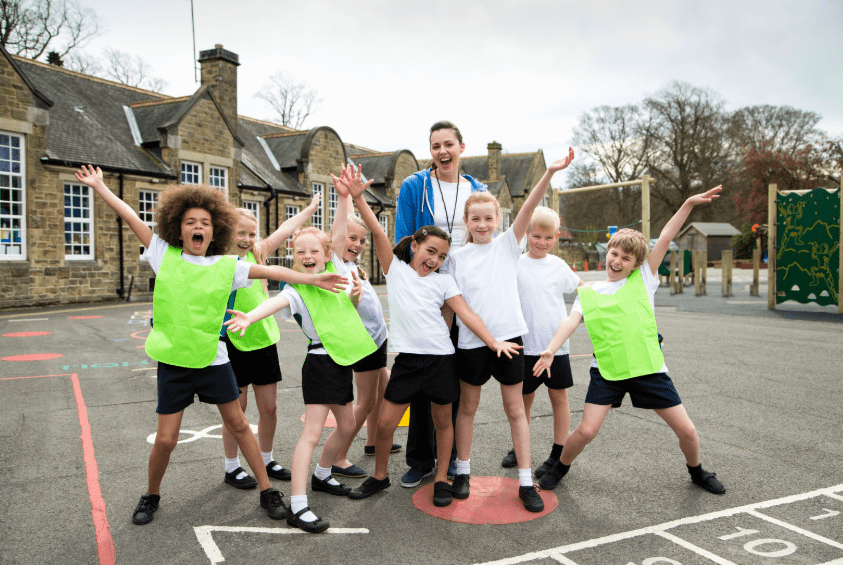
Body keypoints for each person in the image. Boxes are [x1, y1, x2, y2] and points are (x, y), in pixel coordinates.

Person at [73, 165, 346, 526]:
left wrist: (314, 279)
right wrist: (99, 187)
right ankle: (151, 493)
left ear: (215, 229)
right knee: (167, 439)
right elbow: (129, 215)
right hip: (174, 362)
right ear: (177, 228)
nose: (197, 226)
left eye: (204, 221)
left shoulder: (226, 265)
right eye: (189, 221)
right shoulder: (161, 254)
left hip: (214, 361)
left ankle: (267, 490)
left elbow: (277, 273)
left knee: (237, 424)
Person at [336, 165, 521, 507]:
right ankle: (379, 476)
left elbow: (466, 313)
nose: (435, 260)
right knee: (386, 423)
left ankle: (440, 478)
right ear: (416, 245)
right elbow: (377, 232)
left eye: (442, 256)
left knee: (442, 421)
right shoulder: (396, 270)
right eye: (430, 251)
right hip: (407, 361)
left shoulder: (444, 281)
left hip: (440, 360)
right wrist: (358, 198)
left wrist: (493, 341)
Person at [533, 186, 726, 495]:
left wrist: (688, 203)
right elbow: (570, 322)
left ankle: (698, 471)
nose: (618, 260)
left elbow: (664, 237)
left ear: (637, 264)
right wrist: (550, 350)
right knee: (586, 431)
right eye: (614, 253)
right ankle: (560, 467)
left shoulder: (645, 279)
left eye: (626, 257)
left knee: (687, 430)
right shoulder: (590, 292)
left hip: (649, 368)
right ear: (607, 253)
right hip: (608, 371)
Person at [225, 181, 376, 533]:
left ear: (327, 254)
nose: (308, 256)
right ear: (295, 258)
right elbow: (274, 302)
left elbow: (339, 237)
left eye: (314, 251)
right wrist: (250, 316)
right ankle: (298, 504)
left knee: (349, 424)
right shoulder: (296, 288)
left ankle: (323, 474)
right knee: (310, 433)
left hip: (342, 361)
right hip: (321, 363)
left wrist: (341, 198)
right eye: (300, 253)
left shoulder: (337, 273)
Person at [441, 149, 575, 513]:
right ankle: (463, 472)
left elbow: (530, 207)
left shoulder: (507, 246)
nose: (482, 224)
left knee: (516, 410)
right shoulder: (456, 258)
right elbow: (460, 307)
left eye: (489, 218)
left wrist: (548, 173)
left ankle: (526, 481)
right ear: (466, 222)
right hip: (473, 344)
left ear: (499, 219)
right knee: (466, 408)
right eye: (475, 219)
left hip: (512, 342)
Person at [393, 120, 486, 488]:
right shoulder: (415, 186)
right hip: (430, 287)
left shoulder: (477, 190)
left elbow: (487, 235)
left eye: (449, 144)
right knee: (423, 370)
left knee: (456, 377)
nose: (443, 151)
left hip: (465, 287)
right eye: (435, 146)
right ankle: (420, 459)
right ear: (430, 151)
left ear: (462, 146)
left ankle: (453, 462)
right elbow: (404, 236)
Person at [220, 196, 321, 489]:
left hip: (263, 340)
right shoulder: (218, 262)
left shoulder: (259, 252)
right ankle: (232, 466)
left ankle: (266, 457)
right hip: (233, 342)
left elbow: (286, 228)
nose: (247, 239)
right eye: (240, 233)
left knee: (270, 408)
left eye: (251, 233)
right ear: (226, 231)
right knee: (236, 410)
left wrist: (309, 210)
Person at [499, 206, 584, 478]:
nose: (542, 243)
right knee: (523, 399)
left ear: (557, 237)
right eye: (536, 236)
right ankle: (518, 444)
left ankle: (558, 453)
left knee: (559, 398)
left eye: (548, 238)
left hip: (555, 348)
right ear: (526, 234)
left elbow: (582, 288)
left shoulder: (558, 266)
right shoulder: (515, 264)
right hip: (523, 346)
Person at [330, 205, 400, 480]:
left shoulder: (353, 266)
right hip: (363, 342)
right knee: (366, 400)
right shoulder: (335, 262)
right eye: (351, 238)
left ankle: (372, 442)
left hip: (377, 338)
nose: (357, 244)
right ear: (338, 238)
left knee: (383, 391)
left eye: (362, 240)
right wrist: (346, 196)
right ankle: (338, 456)